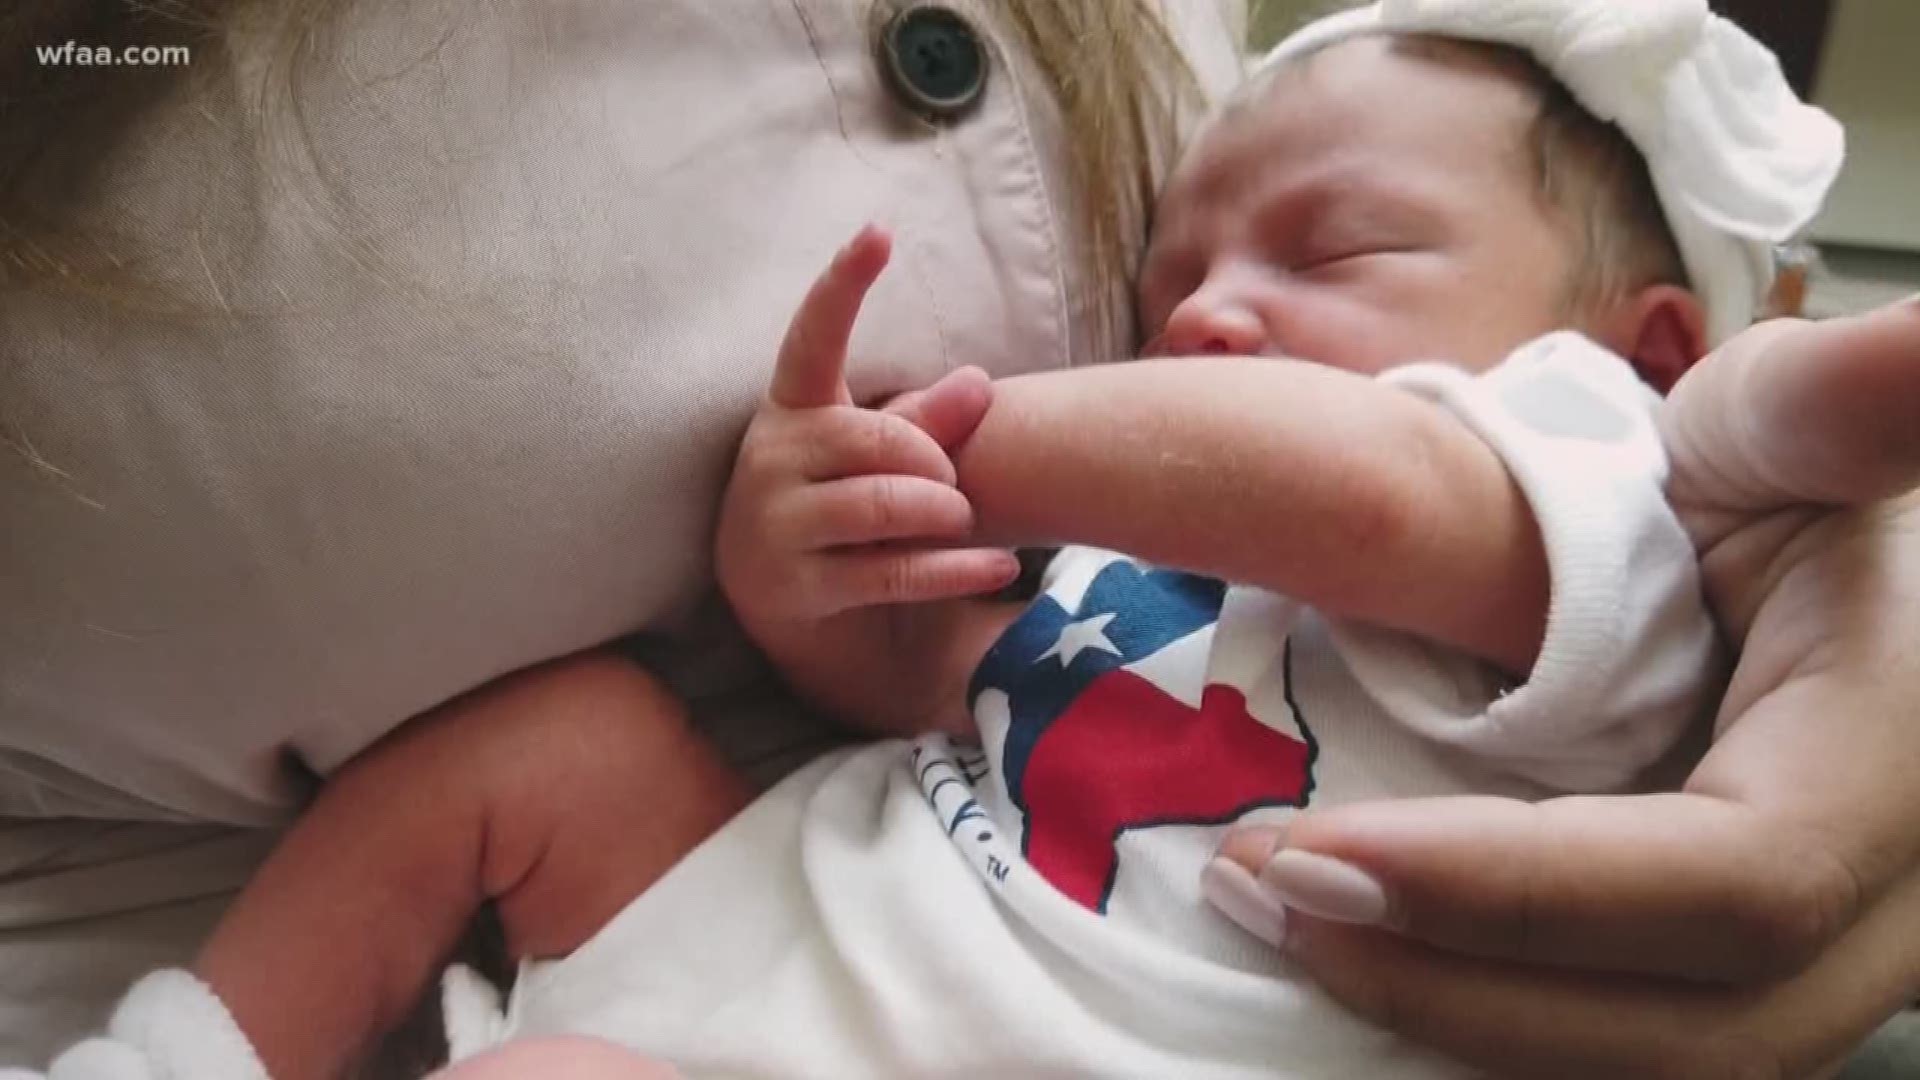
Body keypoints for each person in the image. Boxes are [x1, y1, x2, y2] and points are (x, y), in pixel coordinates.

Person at [1, 1, 1916, 1078]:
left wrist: (992, 445)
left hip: (964, 1056)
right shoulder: (1167, 543)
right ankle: (178, 1058)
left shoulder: (1595, 493)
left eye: (1328, 250)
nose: (1206, 315)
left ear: (1646, 348)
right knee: (554, 746)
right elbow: (927, 689)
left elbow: (1363, 490)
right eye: (1177, 273)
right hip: (781, 905)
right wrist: (813, 566)